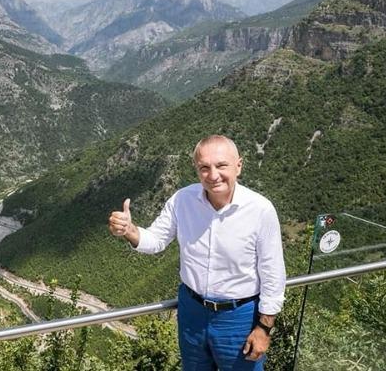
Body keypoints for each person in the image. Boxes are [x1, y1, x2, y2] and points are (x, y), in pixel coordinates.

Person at [108, 135, 286, 371]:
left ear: (239, 166)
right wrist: (130, 230)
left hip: (239, 317)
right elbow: (157, 240)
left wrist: (264, 328)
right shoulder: (182, 200)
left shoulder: (260, 210)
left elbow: (273, 273)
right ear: (197, 170)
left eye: (221, 165)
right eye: (204, 168)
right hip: (192, 311)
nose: (213, 175)